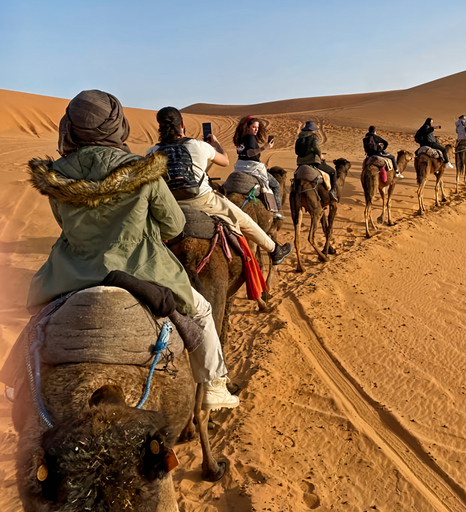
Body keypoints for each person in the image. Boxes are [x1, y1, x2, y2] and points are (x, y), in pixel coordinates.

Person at [25, 90, 238, 410]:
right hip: (144, 269)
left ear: (70, 127)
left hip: (72, 273)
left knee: (36, 324)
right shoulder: (143, 169)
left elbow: (63, 224)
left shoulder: (58, 174)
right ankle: (212, 386)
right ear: (117, 125)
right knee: (203, 312)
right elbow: (174, 225)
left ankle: (19, 383)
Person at [147, 107, 292, 265]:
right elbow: (225, 161)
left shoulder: (151, 152)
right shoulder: (197, 145)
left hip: (169, 206)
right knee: (244, 219)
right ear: (182, 124)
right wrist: (215, 143)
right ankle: (275, 250)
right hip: (203, 200)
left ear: (160, 127)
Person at [233, 115, 283, 220]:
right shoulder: (250, 137)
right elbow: (250, 153)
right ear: (247, 127)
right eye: (254, 127)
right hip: (252, 168)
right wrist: (264, 147)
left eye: (257, 127)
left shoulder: (239, 138)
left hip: (240, 167)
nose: (256, 130)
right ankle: (276, 211)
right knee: (275, 184)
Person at [295, 121, 338, 200]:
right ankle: (333, 191)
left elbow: (296, 152)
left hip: (300, 163)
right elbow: (316, 147)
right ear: (312, 130)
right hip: (313, 162)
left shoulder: (299, 138)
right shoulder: (314, 137)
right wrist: (320, 155)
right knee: (332, 172)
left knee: (296, 176)